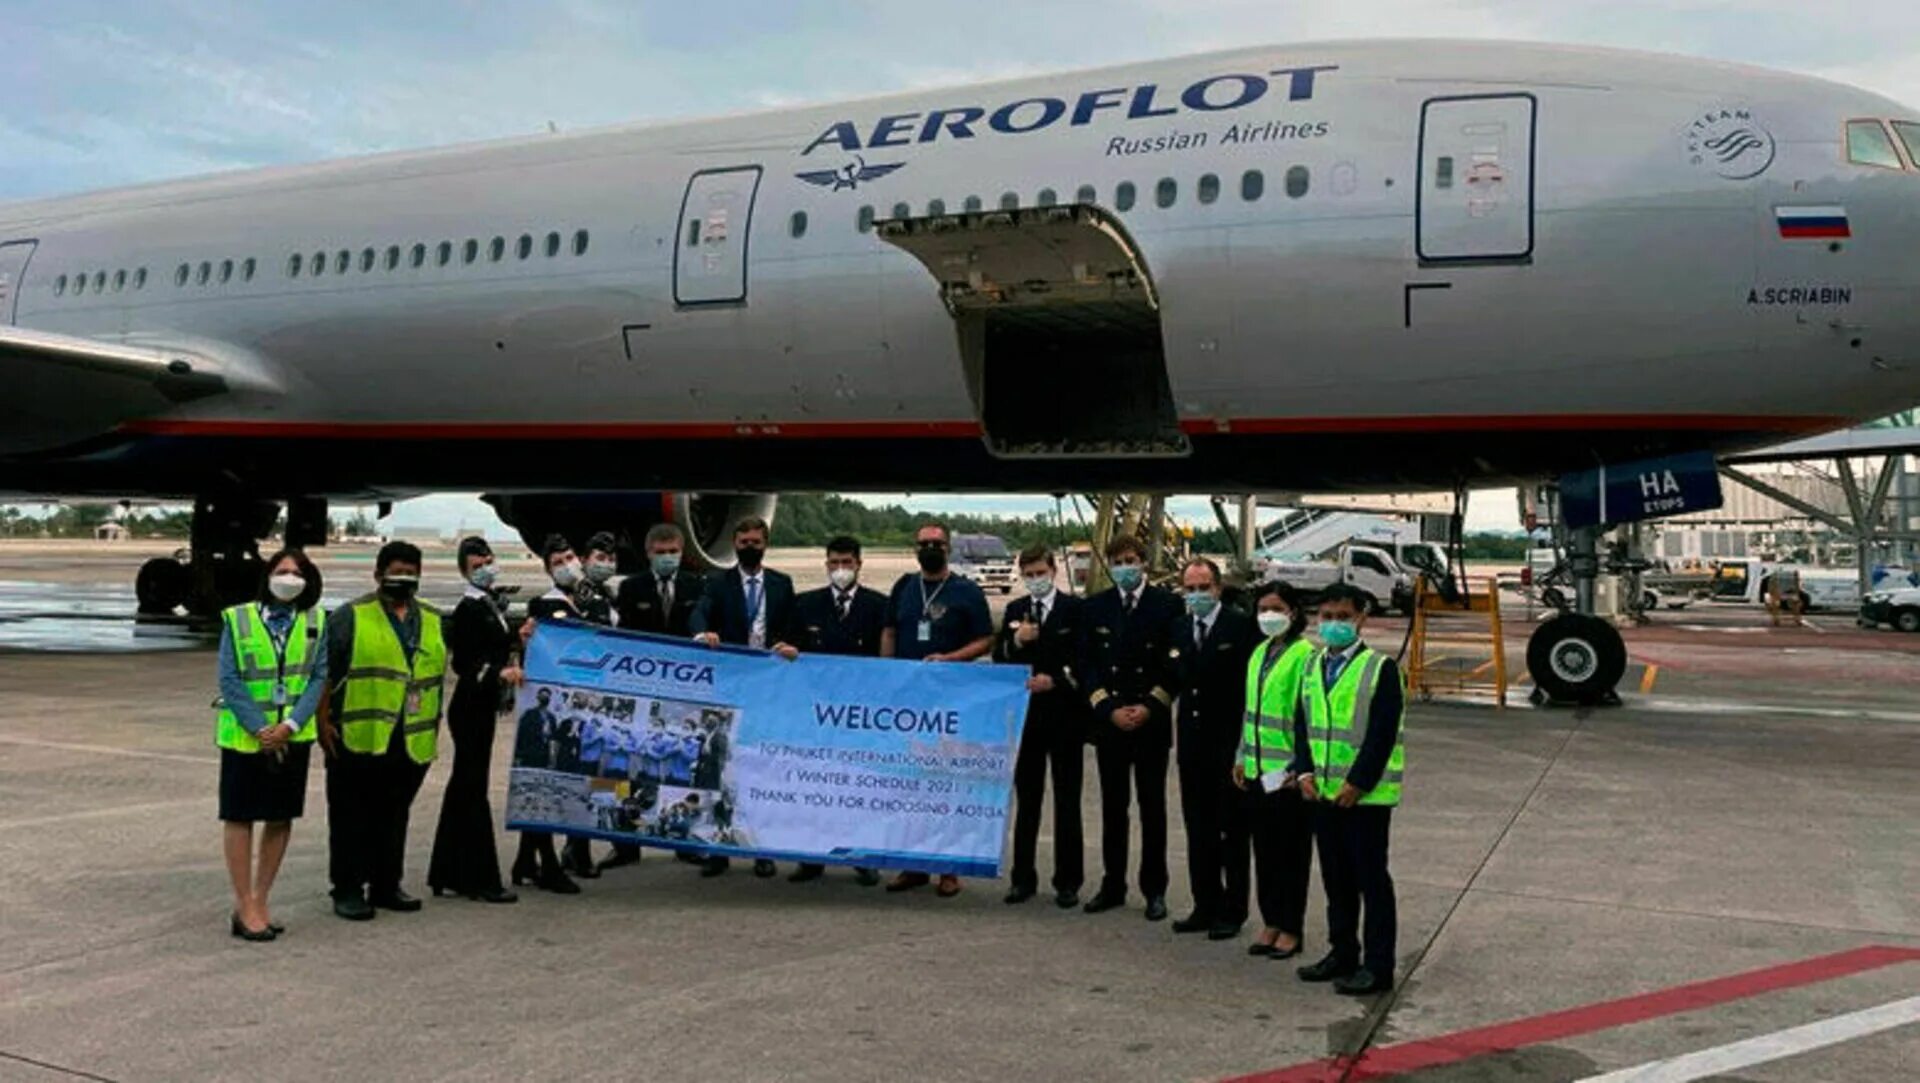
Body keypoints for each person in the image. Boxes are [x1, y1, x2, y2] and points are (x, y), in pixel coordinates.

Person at [319, 540, 446, 922]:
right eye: (396, 572)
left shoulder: (433, 619)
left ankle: (386, 884)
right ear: (377, 575)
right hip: (358, 731)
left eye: (410, 573)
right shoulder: (349, 616)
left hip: (410, 736)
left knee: (394, 814)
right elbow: (323, 672)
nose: (403, 579)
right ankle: (347, 888)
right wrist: (322, 720)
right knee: (350, 815)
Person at [1290, 583, 1406, 996]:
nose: (1333, 624)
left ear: (1361, 619)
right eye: (1326, 617)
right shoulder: (1312, 665)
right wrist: (1302, 771)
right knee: (1336, 879)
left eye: (1342, 617)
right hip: (1322, 793)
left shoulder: (1380, 668)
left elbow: (1381, 735)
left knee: (1371, 880)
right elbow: (1302, 724)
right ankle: (1342, 952)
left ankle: (1378, 966)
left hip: (1366, 798)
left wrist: (1357, 784)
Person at [215, 547, 328, 941]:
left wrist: (292, 725)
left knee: (279, 817)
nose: (289, 578)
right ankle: (243, 902)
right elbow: (229, 678)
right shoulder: (239, 617)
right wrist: (261, 728)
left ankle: (260, 899)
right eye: (281, 571)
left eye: (297, 573)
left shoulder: (316, 620)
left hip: (292, 737)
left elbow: (318, 677)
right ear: (267, 576)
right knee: (240, 816)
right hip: (247, 738)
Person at [880, 521, 994, 897]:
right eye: (923, 543)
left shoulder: (967, 591)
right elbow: (890, 630)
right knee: (909, 786)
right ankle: (912, 865)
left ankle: (948, 867)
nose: (930, 548)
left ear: (949, 548)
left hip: (949, 704)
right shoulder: (903, 587)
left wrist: (951, 659)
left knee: (945, 786)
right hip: (909, 703)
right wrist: (887, 671)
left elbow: (985, 640)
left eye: (937, 543)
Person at [1079, 533, 1182, 922]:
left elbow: (1175, 663)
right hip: (1111, 724)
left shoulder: (1167, 605)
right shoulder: (1096, 608)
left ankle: (1154, 888)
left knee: (1152, 809)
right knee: (1113, 809)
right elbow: (1086, 664)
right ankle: (1112, 884)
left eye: (1131, 559)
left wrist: (1152, 704)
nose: (1126, 566)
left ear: (1143, 561)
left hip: (1150, 722)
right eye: (1118, 560)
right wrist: (1107, 708)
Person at [690, 515, 796, 877]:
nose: (750, 547)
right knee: (723, 771)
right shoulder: (717, 583)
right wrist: (703, 633)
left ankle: (759, 848)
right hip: (730, 687)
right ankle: (718, 849)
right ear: (735, 544)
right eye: (744, 542)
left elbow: (793, 626)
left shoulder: (782, 584)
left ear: (766, 544)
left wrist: (791, 647)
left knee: (758, 771)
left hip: (766, 689)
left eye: (756, 542)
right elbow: (700, 612)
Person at [785, 535, 887, 886]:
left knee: (857, 788)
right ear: (825, 564)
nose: (840, 570)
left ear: (859, 564)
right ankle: (811, 858)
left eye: (847, 563)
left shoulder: (878, 606)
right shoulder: (805, 605)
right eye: (834, 563)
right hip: (816, 713)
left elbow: (885, 662)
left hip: (859, 714)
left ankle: (862, 855)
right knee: (815, 787)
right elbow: (790, 649)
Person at [427, 537, 521, 904]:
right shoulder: (468, 608)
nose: (485, 565)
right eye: (476, 562)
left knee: (463, 789)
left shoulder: (489, 604)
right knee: (473, 791)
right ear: (465, 570)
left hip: (480, 707)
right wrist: (499, 673)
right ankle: (481, 878)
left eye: (487, 559)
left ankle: (447, 872)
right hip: (469, 708)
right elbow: (464, 664)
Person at [1170, 557, 1259, 940]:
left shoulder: (1240, 627)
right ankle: (1203, 903)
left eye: (1203, 587)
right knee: (1198, 828)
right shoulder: (1177, 628)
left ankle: (1233, 909)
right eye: (1190, 589)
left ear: (1218, 589)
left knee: (1232, 832)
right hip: (1191, 745)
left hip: (1228, 744)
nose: (1197, 595)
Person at [993, 544, 1086, 908]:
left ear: (1053, 571)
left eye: (1040, 573)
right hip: (1027, 720)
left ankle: (1068, 881)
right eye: (1029, 575)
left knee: (1067, 802)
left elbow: (1084, 659)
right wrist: (1016, 640)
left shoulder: (1073, 610)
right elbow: (999, 657)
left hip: (1064, 718)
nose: (1035, 580)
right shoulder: (1016, 611)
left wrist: (1058, 682)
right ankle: (1023, 878)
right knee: (1028, 801)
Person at [509, 535, 599, 894]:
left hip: (580, 708)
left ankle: (525, 859)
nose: (567, 565)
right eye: (557, 562)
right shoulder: (544, 606)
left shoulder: (594, 601)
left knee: (563, 783)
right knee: (546, 784)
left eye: (570, 557)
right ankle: (546, 863)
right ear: (548, 570)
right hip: (553, 705)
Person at [1237, 583, 1316, 960]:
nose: (1269, 615)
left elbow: (1308, 718)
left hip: (1285, 776)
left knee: (1291, 855)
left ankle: (1290, 926)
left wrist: (1299, 767)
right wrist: (1240, 755)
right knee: (1264, 852)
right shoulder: (1258, 653)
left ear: (1294, 612)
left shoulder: (1305, 656)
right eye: (1263, 609)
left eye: (1277, 608)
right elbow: (1249, 712)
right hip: (1256, 771)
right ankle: (1270, 920)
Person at [615, 522, 706, 636]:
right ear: (649, 554)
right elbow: (623, 630)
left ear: (681, 552)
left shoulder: (698, 586)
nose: (667, 556)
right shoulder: (630, 586)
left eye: (673, 551)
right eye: (660, 552)